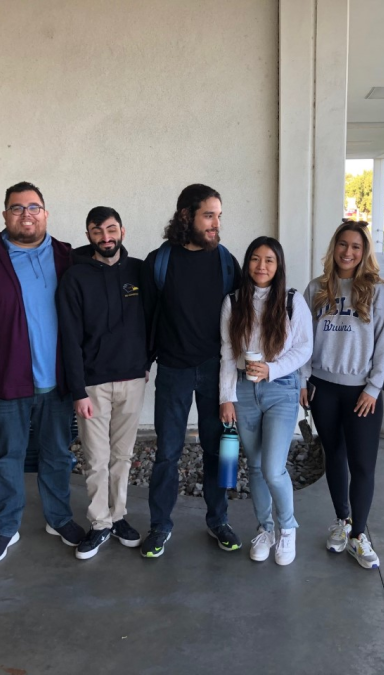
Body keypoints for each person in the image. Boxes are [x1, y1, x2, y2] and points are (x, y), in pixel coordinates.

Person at [0, 181, 85, 565]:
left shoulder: (68, 258)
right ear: (5, 214)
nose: (26, 214)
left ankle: (59, 519)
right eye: (17, 208)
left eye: (34, 207)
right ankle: (5, 527)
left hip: (56, 381)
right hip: (3, 380)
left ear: (46, 213)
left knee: (57, 455)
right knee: (8, 456)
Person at [140, 183, 242, 558]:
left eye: (218, 216)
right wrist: (143, 364)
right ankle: (159, 526)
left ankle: (219, 519)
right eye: (209, 215)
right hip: (173, 371)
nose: (216, 224)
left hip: (217, 372)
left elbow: (245, 315)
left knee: (221, 449)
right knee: (168, 451)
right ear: (186, 216)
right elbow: (146, 318)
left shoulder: (225, 261)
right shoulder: (160, 261)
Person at [57, 206, 149, 560]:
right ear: (89, 235)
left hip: (133, 379)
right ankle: (99, 523)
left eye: (111, 229)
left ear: (122, 231)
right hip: (93, 385)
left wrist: (146, 362)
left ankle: (119, 516)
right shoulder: (75, 278)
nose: (106, 237)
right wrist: (77, 390)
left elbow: (153, 318)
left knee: (122, 456)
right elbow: (69, 337)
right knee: (96, 458)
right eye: (98, 231)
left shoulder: (139, 271)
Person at [300, 220, 384, 570]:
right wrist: (303, 380)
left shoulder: (375, 291)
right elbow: (303, 340)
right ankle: (342, 522)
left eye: (356, 246)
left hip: (361, 393)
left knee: (363, 465)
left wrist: (373, 387)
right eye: (343, 244)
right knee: (334, 456)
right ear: (334, 247)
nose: (348, 252)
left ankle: (359, 535)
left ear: (364, 251)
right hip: (323, 388)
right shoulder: (316, 289)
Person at [219, 237, 312, 565]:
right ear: (247, 264)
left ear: (279, 265)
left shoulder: (291, 301)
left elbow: (304, 348)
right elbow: (228, 354)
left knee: (273, 469)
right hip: (244, 391)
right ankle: (265, 528)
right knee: (255, 467)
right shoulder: (233, 301)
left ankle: (288, 529)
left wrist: (272, 369)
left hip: (281, 389)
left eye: (269, 260)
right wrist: (226, 398)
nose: (261, 266)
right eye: (255, 259)